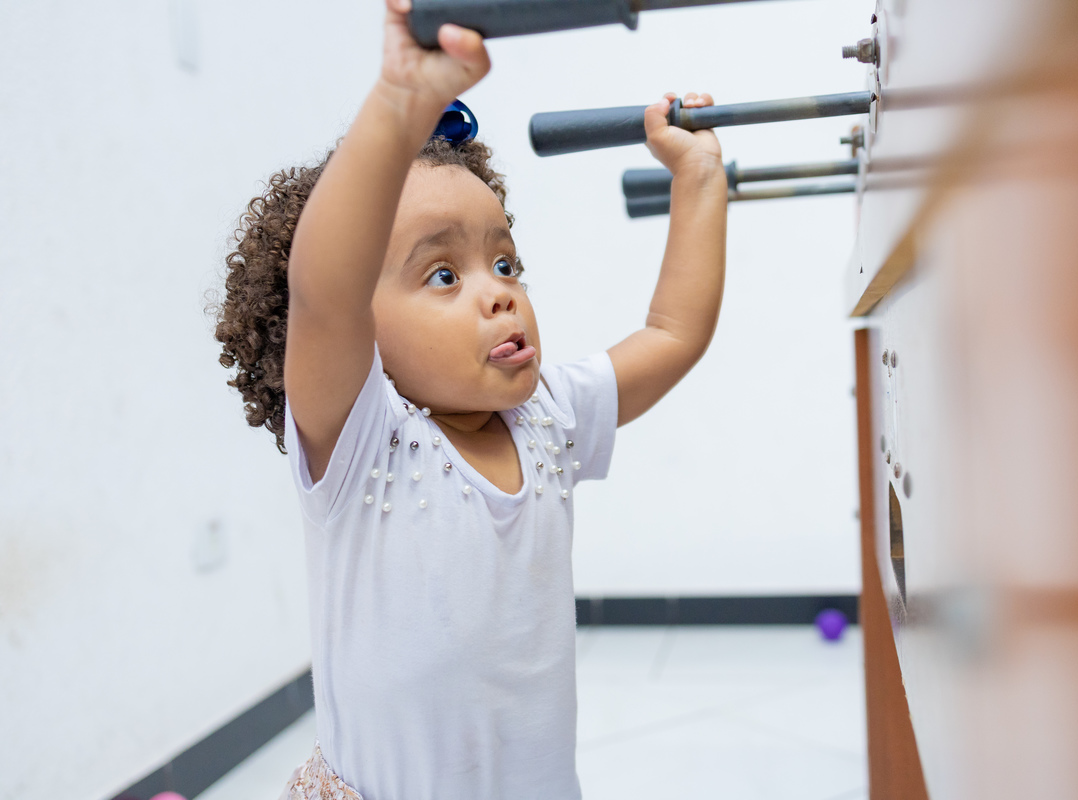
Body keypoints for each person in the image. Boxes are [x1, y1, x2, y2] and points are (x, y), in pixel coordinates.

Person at [213, 0, 726, 796]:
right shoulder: (363, 444)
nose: (499, 293)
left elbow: (671, 333)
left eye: (506, 263)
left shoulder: (546, 417)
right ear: (363, 333)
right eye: (444, 275)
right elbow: (325, 290)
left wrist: (697, 178)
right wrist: (401, 100)